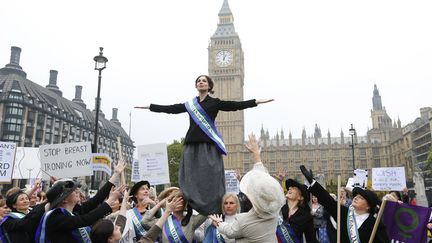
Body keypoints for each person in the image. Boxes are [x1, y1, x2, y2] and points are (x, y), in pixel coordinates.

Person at [135, 75, 274, 221]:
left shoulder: (214, 103)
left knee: (212, 181)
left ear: (209, 86)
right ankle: (188, 211)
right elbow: (171, 109)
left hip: (208, 147)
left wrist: (256, 102)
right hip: (191, 147)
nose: (201, 82)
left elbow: (235, 105)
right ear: (196, 86)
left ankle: (216, 213)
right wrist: (150, 106)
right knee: (188, 181)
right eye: (198, 81)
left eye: (204, 81)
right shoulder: (190, 104)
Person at [209, 134, 285, 243]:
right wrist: (256, 155)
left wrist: (219, 222)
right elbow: (262, 182)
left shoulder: (243, 221)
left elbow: (229, 232)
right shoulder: (273, 212)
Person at [36, 160, 126, 242]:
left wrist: (116, 174)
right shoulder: (56, 217)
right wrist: (111, 199)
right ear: (64, 200)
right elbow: (86, 219)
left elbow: (96, 200)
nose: (77, 191)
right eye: (72, 191)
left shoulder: (75, 210)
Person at [300, 165, 391, 243]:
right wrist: (312, 183)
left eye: (361, 198)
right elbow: (327, 200)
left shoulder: (375, 224)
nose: (355, 198)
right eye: (356, 196)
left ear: (368, 206)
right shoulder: (344, 213)